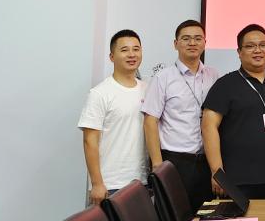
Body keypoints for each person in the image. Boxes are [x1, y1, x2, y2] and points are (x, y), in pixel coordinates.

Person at [201, 24, 265, 200]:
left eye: (263, 45)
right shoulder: (225, 85)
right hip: (237, 179)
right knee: (238, 219)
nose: (258, 50)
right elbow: (208, 127)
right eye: (250, 46)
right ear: (239, 52)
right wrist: (217, 172)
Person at [142, 19, 220, 208]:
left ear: (205, 43)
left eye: (198, 38)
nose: (192, 43)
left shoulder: (213, 75)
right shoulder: (163, 77)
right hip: (174, 161)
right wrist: (157, 164)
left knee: (205, 216)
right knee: (173, 217)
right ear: (175, 44)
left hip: (206, 161)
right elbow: (150, 121)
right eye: (186, 39)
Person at [78, 29, 146, 205]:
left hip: (142, 181)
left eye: (136, 49)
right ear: (111, 56)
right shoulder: (100, 93)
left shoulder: (148, 89)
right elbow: (90, 141)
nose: (131, 54)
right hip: (110, 185)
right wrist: (97, 183)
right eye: (124, 50)